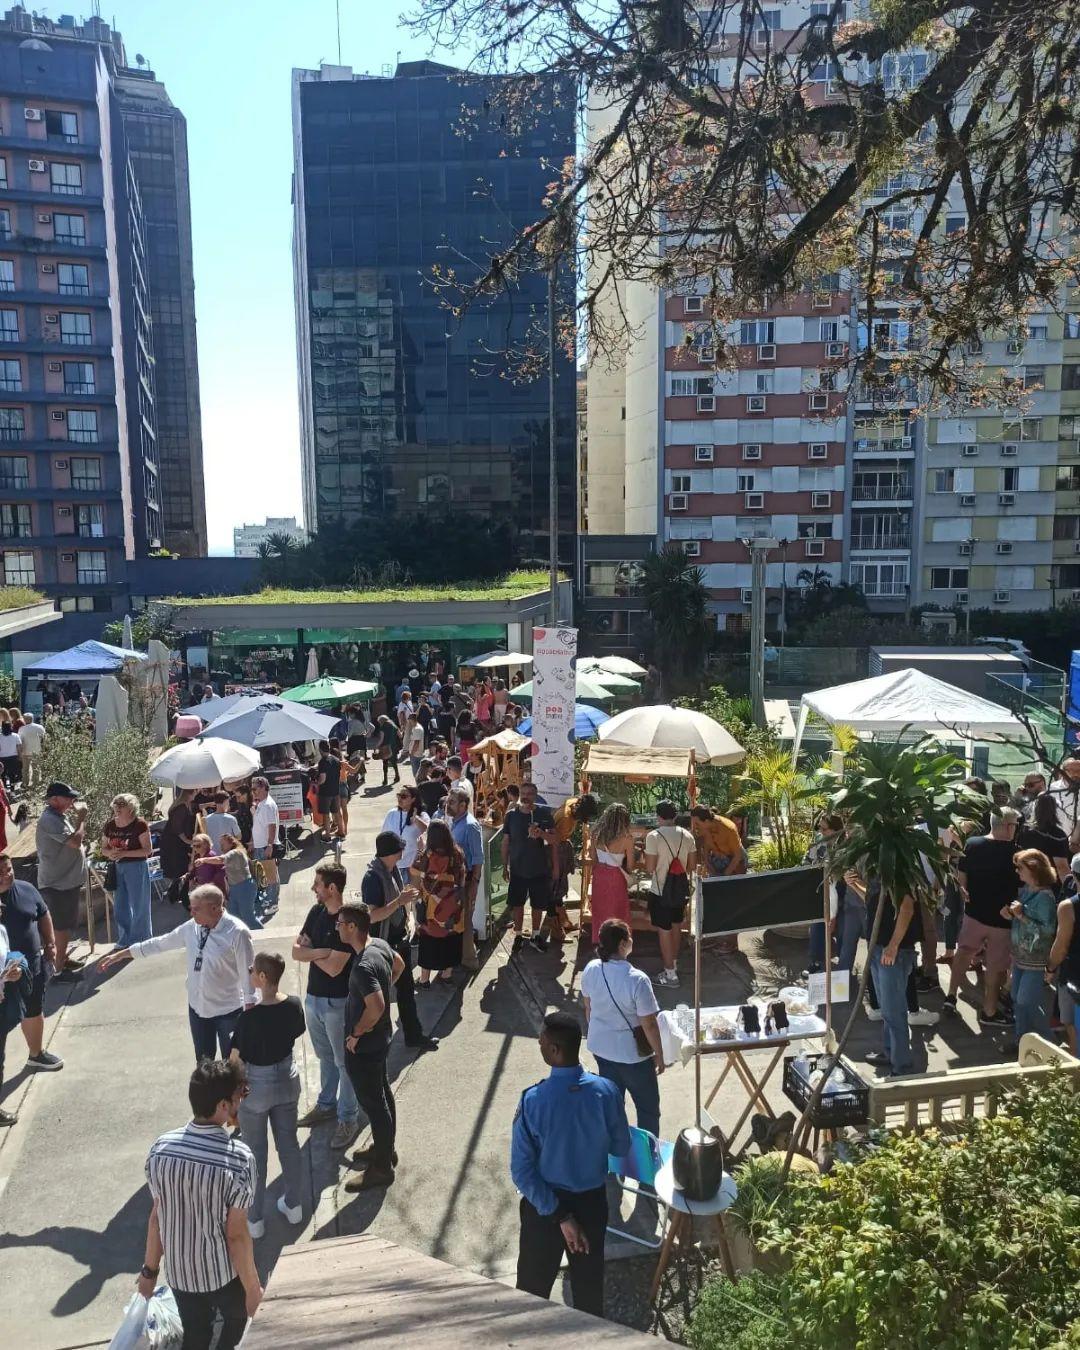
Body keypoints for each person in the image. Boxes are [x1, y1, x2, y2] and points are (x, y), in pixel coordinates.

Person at [511, 1011, 630, 1318]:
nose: (539, 1044)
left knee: (531, 1294)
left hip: (544, 1211)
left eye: (541, 1041)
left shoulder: (533, 1101)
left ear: (554, 1050)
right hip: (591, 1205)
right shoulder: (606, 1092)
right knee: (589, 1295)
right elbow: (621, 1147)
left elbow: (522, 1172)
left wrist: (561, 1216)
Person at [140, 1059, 261, 1348]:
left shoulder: (160, 1150)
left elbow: (158, 1217)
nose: (239, 1104)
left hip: (180, 1276)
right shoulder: (239, 1159)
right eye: (236, 1098)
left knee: (195, 1334)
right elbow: (236, 1235)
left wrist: (149, 1272)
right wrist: (253, 1289)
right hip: (221, 1276)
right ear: (222, 1106)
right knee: (236, 1322)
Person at [101, 884, 256, 1060]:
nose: (192, 913)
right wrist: (124, 954)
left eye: (196, 909)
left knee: (234, 1065)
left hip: (229, 1011)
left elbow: (248, 974)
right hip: (198, 1009)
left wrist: (249, 1012)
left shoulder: (238, 932)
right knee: (204, 1064)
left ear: (214, 908)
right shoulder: (191, 928)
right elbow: (160, 943)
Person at [229, 952, 306, 1238]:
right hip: (287, 1080)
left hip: (256, 1088)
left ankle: (255, 1220)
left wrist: (233, 1098)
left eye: (252, 969)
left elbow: (235, 1061)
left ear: (262, 978)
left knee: (255, 1154)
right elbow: (295, 1033)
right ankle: (294, 1205)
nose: (249, 972)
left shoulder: (248, 1018)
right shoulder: (294, 1005)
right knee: (289, 1145)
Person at [292, 862, 360, 1149]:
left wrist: (311, 952)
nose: (313, 889)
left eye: (318, 884)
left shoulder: (347, 921)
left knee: (344, 1063)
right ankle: (326, 1104)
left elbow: (335, 969)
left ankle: (348, 1118)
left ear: (332, 888)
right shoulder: (316, 912)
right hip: (314, 999)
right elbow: (296, 951)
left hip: (337, 1002)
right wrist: (322, 951)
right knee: (325, 1057)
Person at [338, 903, 405, 1191]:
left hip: (365, 1047)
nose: (337, 927)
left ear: (352, 927)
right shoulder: (378, 944)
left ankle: (381, 1170)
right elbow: (399, 965)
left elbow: (376, 1006)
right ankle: (384, 1148)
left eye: (340, 923)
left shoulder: (363, 966)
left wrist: (356, 1033)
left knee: (374, 1105)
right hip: (381, 1041)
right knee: (381, 1094)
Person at [580, 919, 663, 1137]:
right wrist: (660, 1054)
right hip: (633, 1055)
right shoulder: (637, 980)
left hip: (601, 1049)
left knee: (613, 1107)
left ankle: (615, 1157)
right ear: (623, 944)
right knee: (647, 1109)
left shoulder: (591, 969)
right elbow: (650, 1024)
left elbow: (588, 1008)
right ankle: (647, 1158)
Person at [943, 809, 1020, 1025]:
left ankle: (950, 995)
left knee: (964, 953)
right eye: (1015, 825)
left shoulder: (973, 844)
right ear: (1007, 826)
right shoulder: (1016, 853)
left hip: (973, 914)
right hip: (1001, 922)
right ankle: (989, 1011)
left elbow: (962, 874)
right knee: (996, 967)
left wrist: (963, 890)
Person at [361, 834, 437, 1050]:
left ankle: (413, 1035)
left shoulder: (391, 870)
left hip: (399, 940)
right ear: (392, 853)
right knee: (382, 997)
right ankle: (379, 1042)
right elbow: (372, 916)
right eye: (400, 850)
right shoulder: (372, 878)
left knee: (405, 992)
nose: (403, 853)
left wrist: (406, 908)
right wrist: (400, 901)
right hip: (382, 945)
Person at [0, 854, 63, 1079]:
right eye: (0, 873)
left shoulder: (26, 889)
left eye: (8, 869)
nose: (6, 876)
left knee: (34, 1009)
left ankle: (36, 1055)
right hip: (2, 976)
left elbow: (43, 913)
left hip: (30, 967)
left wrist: (50, 944)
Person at [862, 880, 919, 1076]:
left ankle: (901, 1065)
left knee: (894, 1011)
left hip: (894, 952)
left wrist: (894, 945)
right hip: (878, 948)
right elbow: (874, 902)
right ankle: (890, 1053)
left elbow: (907, 909)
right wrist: (854, 885)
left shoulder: (898, 871)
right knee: (887, 1009)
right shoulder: (877, 872)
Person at [35, 782, 88, 980]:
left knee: (65, 925)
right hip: (57, 883)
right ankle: (57, 971)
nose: (72, 801)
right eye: (68, 798)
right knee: (60, 927)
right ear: (54, 799)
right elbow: (75, 842)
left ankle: (62, 959)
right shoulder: (49, 819)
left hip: (66, 881)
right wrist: (81, 818)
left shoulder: (58, 816)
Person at [1004, 848, 1058, 1041]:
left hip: (1035, 959)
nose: (1017, 871)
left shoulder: (1045, 898)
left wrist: (1020, 916)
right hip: (1021, 956)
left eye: (1020, 868)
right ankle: (1021, 1040)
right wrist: (1012, 914)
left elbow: (1047, 931)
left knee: (1026, 1001)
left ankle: (1048, 1040)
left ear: (1034, 869)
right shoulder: (1028, 890)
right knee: (1017, 1000)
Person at [643, 801, 696, 988]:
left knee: (664, 931)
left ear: (658, 816)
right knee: (676, 927)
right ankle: (672, 964)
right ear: (675, 816)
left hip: (660, 890)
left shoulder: (653, 836)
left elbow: (650, 868)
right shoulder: (687, 835)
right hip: (680, 890)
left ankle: (670, 976)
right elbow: (691, 867)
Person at [502, 781, 557, 952]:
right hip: (518, 868)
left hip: (539, 868)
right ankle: (518, 935)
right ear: (519, 794)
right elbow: (505, 842)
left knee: (538, 905)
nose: (526, 797)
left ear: (535, 795)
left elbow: (555, 841)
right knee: (517, 904)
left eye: (530, 794)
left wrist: (541, 833)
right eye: (523, 793)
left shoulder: (544, 815)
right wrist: (504, 866)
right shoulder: (511, 815)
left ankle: (535, 935)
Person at [411, 819, 466, 984]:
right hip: (454, 903)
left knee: (429, 940)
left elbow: (414, 869)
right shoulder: (457, 853)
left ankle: (424, 979)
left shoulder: (428, 855)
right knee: (451, 936)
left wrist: (420, 849)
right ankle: (447, 974)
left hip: (433, 905)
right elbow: (462, 875)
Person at [101, 793, 154, 948]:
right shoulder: (110, 825)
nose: (117, 807)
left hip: (136, 867)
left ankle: (142, 939)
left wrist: (124, 853)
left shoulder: (140, 825)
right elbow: (103, 848)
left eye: (121, 804)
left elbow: (147, 850)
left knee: (140, 905)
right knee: (119, 906)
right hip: (117, 868)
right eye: (115, 803)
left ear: (131, 807)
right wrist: (109, 853)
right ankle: (125, 939)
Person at [445, 785, 484, 969]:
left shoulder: (470, 825)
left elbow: (478, 858)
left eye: (451, 802)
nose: (447, 804)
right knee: (459, 920)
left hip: (467, 881)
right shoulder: (456, 822)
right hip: (456, 881)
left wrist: (474, 884)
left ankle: (470, 960)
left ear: (463, 805)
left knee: (466, 922)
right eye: (447, 801)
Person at [551, 794, 600, 939]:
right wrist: (556, 866)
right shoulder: (566, 820)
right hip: (556, 850)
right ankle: (557, 928)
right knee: (556, 889)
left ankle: (564, 921)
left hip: (560, 847)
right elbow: (555, 842)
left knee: (559, 888)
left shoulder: (573, 802)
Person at [1047, 857, 1080, 1054]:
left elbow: (1061, 946)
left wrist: (1050, 969)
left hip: (1074, 975)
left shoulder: (1068, 907)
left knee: (1073, 1027)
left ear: (1073, 876)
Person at [587, 802, 635, 933]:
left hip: (599, 874)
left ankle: (601, 939)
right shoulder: (627, 838)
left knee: (600, 909)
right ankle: (618, 940)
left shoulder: (596, 833)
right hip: (616, 876)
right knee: (618, 910)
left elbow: (593, 856)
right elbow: (630, 866)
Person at [1017, 792, 1070, 882]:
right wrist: (1070, 889)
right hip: (1048, 883)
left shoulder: (1025, 830)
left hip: (1027, 881)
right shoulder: (1057, 835)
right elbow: (1061, 867)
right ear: (1055, 810)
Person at [382, 785, 429, 884]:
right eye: (398, 795)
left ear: (413, 799)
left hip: (412, 866)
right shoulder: (392, 814)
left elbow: (429, 832)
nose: (399, 798)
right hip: (394, 865)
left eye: (403, 796)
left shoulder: (422, 816)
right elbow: (383, 838)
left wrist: (416, 819)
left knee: (412, 897)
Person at [161, 788, 196, 906]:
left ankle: (176, 893)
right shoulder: (181, 808)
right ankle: (178, 894)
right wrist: (188, 841)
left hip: (176, 842)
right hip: (174, 843)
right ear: (190, 793)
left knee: (181, 868)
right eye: (195, 791)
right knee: (180, 867)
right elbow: (178, 828)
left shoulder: (185, 804)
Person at [219, 834, 261, 931]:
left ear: (231, 843)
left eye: (223, 844)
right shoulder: (231, 853)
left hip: (244, 887)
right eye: (220, 844)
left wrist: (204, 860)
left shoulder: (236, 852)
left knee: (248, 917)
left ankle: (263, 934)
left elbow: (220, 859)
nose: (221, 847)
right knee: (234, 916)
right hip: (234, 889)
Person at [250, 777, 280, 912]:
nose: (253, 792)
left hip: (264, 846)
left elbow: (271, 826)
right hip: (260, 845)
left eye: (254, 789)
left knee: (270, 875)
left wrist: (270, 845)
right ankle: (270, 899)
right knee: (265, 875)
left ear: (263, 787)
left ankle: (273, 903)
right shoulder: (262, 804)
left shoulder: (267, 805)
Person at [1047, 759, 1080, 848]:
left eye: (1079, 771)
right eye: (1071, 771)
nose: (1076, 774)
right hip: (1055, 840)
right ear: (1062, 772)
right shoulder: (1052, 788)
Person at [315, 739, 343, 842]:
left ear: (320, 750)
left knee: (326, 815)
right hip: (335, 791)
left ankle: (327, 836)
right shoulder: (336, 759)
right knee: (336, 812)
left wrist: (316, 783)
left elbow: (322, 779)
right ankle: (341, 832)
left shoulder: (323, 762)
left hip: (325, 793)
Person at [17, 712, 43, 791]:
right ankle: (35, 783)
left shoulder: (22, 729)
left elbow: (20, 741)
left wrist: (19, 753)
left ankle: (25, 783)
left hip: (26, 751)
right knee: (36, 768)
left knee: (25, 769)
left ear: (24, 719)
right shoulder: (40, 727)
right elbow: (43, 739)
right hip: (37, 750)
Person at [376, 714, 402, 786]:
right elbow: (400, 735)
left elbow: (381, 739)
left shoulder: (383, 728)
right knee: (394, 762)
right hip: (394, 747)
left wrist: (376, 746)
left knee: (385, 763)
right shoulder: (394, 726)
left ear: (381, 721)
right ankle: (397, 776)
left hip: (385, 748)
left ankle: (385, 780)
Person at [0, 718, 21, 788]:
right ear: (10, 727)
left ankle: (4, 789)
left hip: (2, 758)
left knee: (3, 774)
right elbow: (19, 747)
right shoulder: (16, 736)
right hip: (13, 757)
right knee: (12, 774)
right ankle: (12, 789)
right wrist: (19, 756)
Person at [405, 714, 425, 779]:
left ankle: (419, 787)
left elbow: (416, 743)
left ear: (411, 720)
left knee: (416, 775)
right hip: (416, 754)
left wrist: (411, 754)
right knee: (417, 774)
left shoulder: (417, 729)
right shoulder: (416, 727)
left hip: (416, 755)